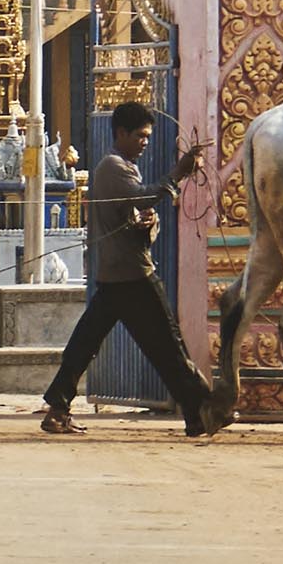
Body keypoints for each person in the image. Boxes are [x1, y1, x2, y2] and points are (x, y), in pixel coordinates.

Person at [39, 103, 227, 436]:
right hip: (133, 275)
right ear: (121, 133)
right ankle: (203, 408)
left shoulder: (123, 167)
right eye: (140, 136)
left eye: (147, 137)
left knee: (87, 343)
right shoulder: (113, 167)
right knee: (168, 344)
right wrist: (178, 173)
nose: (144, 142)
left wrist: (148, 224)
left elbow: (137, 215)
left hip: (116, 276)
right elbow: (142, 199)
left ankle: (58, 407)